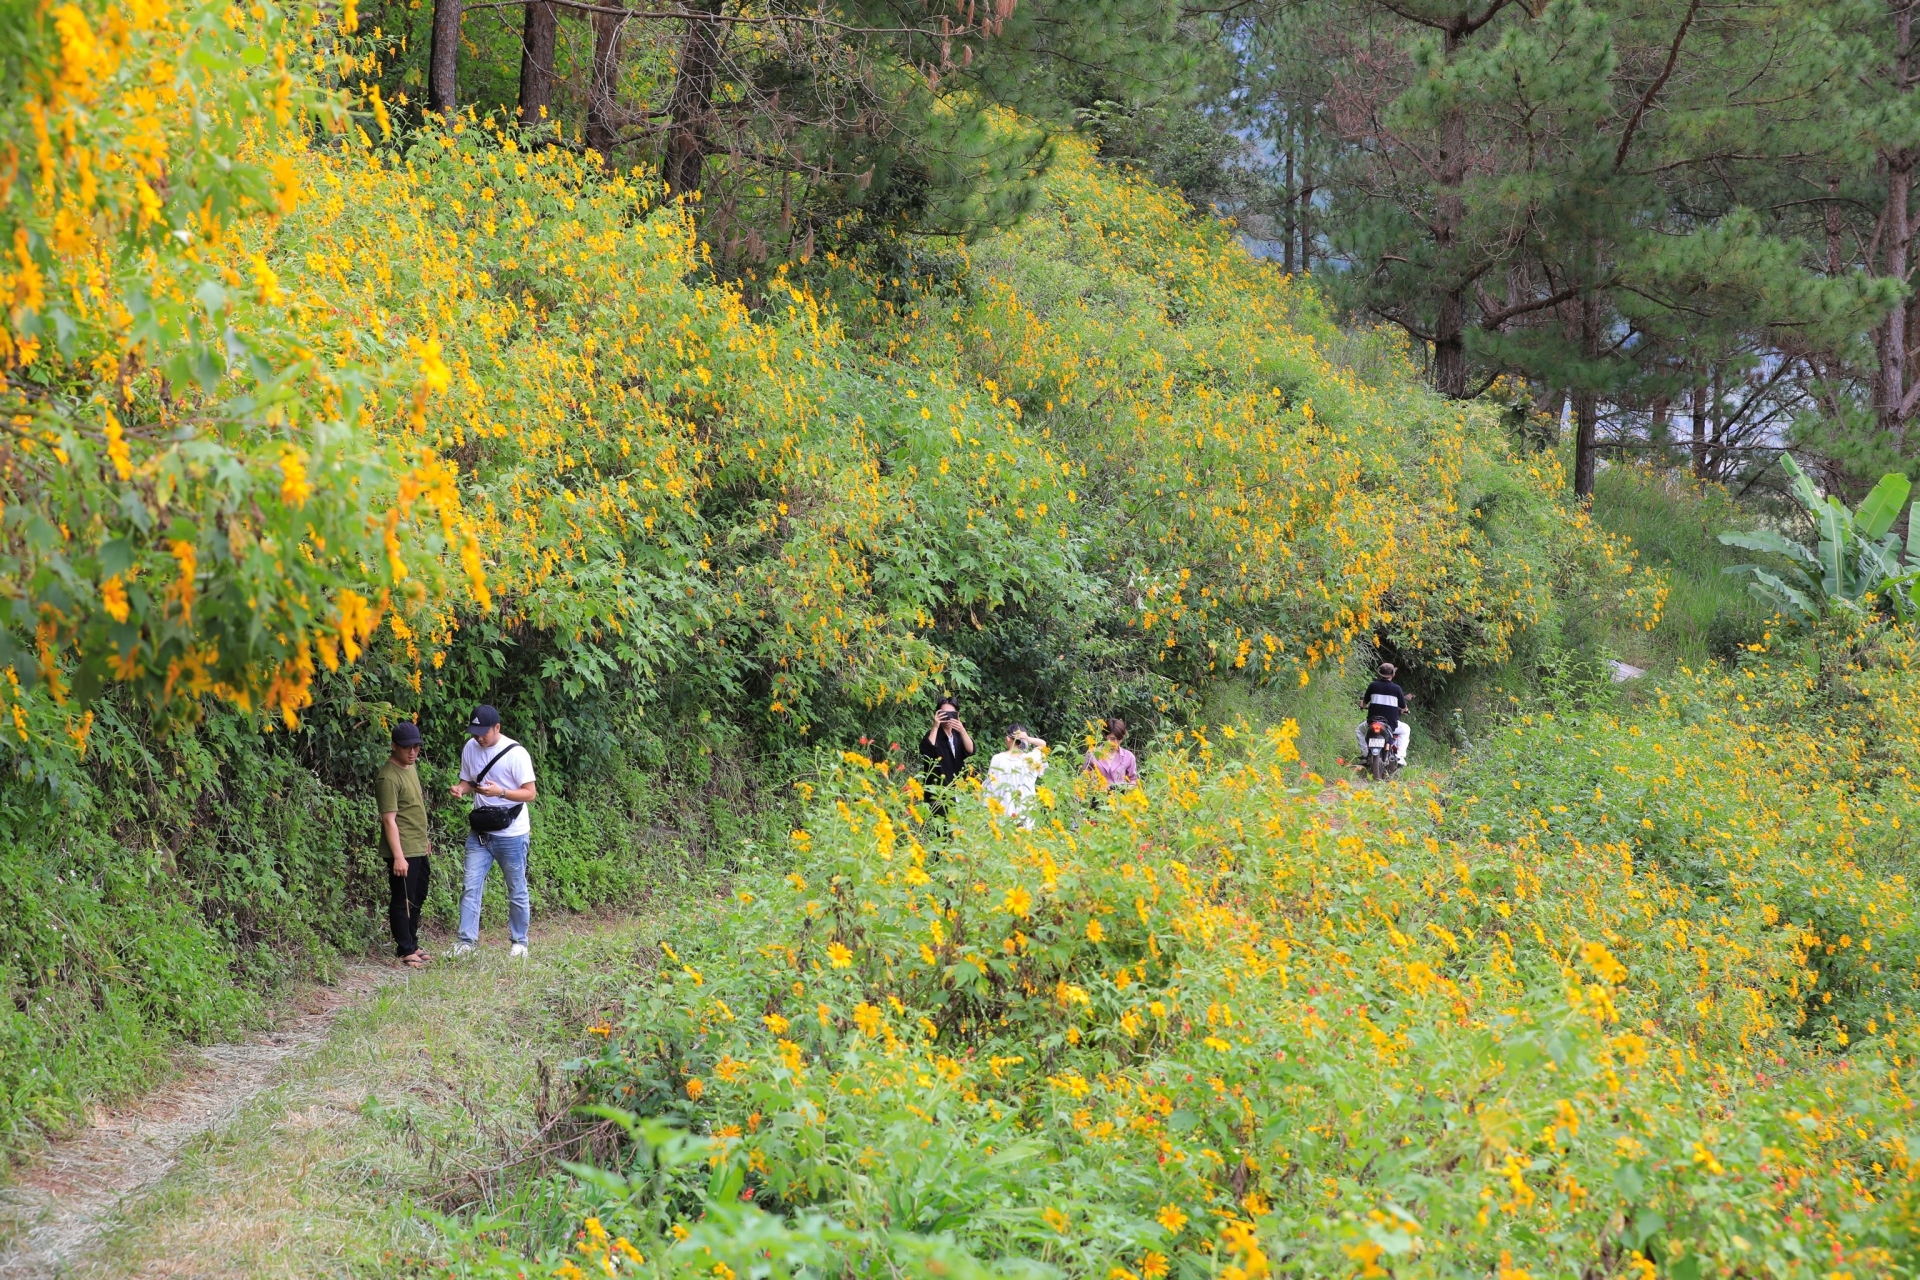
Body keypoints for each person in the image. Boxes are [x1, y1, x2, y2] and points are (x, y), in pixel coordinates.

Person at [450, 704, 537, 958]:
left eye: (483, 732)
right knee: (470, 885)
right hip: (480, 832)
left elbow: (529, 793)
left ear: (497, 728)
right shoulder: (470, 747)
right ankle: (466, 944)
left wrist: (499, 792)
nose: (478, 737)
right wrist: (460, 789)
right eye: (474, 732)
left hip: (512, 833)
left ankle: (519, 943)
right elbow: (468, 781)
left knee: (516, 888)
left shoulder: (516, 753)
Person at [376, 721, 433, 968]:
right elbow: (389, 820)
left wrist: (424, 839)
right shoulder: (388, 777)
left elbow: (413, 808)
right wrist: (398, 857)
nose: (413, 752)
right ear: (394, 747)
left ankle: (413, 943)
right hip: (403, 849)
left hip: (417, 845)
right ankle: (405, 948)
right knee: (403, 900)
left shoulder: (410, 767)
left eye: (417, 747)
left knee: (418, 896)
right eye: (407, 748)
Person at [917, 695, 976, 818]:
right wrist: (935, 725)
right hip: (937, 794)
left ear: (957, 715)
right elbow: (927, 751)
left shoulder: (958, 735)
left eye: (952, 714)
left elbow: (970, 750)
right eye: (944, 714)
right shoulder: (933, 734)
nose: (948, 718)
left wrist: (962, 730)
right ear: (938, 714)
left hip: (956, 791)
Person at [985, 723, 1047, 830]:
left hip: (1002, 814)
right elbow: (1043, 745)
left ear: (1008, 739)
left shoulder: (997, 759)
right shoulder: (1030, 759)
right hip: (1024, 814)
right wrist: (1028, 738)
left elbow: (990, 787)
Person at [1356, 662, 1411, 765]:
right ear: (1393, 674)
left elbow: (1363, 704)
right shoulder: (1396, 688)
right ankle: (1399, 757)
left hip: (1372, 722)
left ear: (1380, 674)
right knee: (1406, 729)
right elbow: (1404, 707)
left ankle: (1364, 755)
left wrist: (1363, 706)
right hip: (1390, 724)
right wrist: (1405, 710)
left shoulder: (1373, 685)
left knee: (1359, 730)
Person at [1083, 717, 1139, 795]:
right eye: (1112, 739)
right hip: (1096, 797)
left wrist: (1129, 788)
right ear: (1105, 736)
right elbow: (1084, 777)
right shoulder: (1092, 753)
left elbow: (1133, 779)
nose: (1115, 742)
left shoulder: (1129, 757)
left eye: (1119, 739)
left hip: (1119, 799)